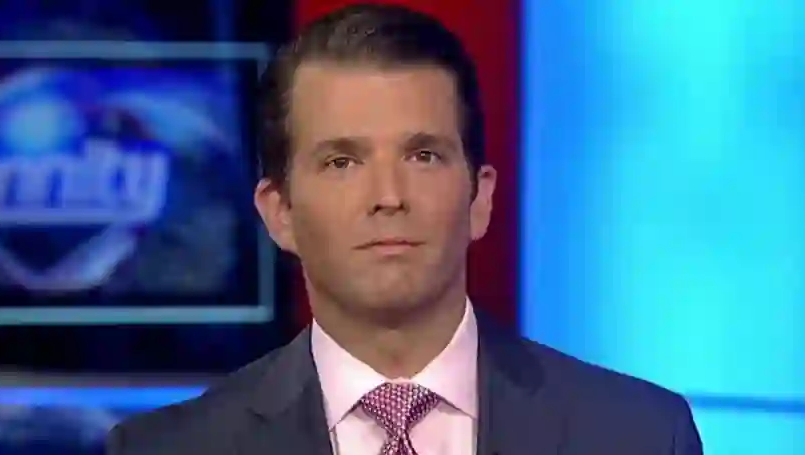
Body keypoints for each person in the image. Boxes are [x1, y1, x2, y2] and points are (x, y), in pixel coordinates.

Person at [105, 3, 704, 454]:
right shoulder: (169, 449)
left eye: (423, 156)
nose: (388, 197)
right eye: (342, 162)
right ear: (279, 212)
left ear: (480, 198)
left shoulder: (640, 436)